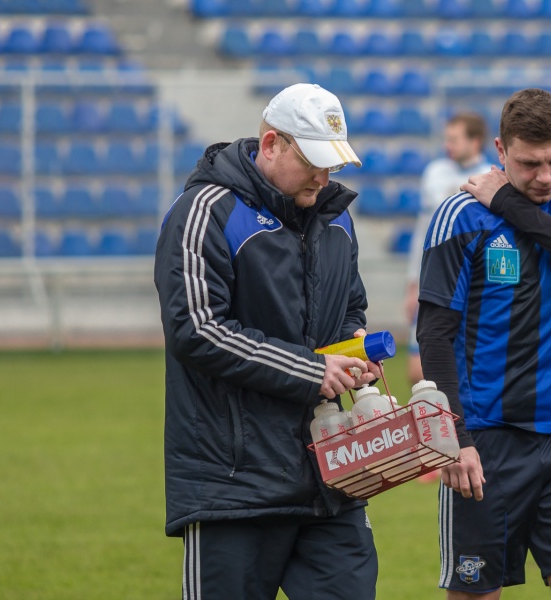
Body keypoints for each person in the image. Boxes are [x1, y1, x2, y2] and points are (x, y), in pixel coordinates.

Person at [154, 83, 381, 600]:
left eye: (333, 164)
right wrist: (312, 371)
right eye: (314, 162)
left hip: (331, 476)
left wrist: (354, 348)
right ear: (272, 144)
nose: (324, 178)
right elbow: (196, 328)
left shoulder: (337, 216)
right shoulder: (204, 211)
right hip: (234, 483)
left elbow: (349, 307)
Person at [416, 88, 551, 599]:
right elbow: (434, 335)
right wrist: (453, 438)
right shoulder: (460, 216)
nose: (546, 176)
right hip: (485, 439)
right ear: (501, 151)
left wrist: (508, 201)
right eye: (530, 164)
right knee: (476, 594)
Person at [404, 112, 491, 385]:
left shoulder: (491, 177)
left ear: (475, 142)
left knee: (466, 366)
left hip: (471, 282)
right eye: (447, 138)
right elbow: (422, 230)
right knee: (417, 372)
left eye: (454, 139)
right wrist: (412, 284)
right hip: (433, 276)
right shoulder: (435, 172)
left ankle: (457, 412)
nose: (447, 145)